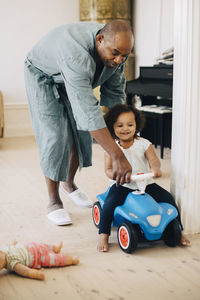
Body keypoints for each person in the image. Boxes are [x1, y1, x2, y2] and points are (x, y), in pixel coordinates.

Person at [24, 20, 134, 226]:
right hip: (42, 74)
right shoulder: (75, 53)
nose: (120, 59)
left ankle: (69, 184)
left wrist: (125, 135)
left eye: (125, 55)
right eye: (116, 53)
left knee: (81, 133)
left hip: (72, 77)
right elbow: (88, 111)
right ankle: (54, 201)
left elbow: (115, 98)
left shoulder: (117, 53)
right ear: (99, 40)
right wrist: (116, 155)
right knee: (56, 136)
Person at [97, 104, 190, 252]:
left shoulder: (144, 144)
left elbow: (154, 160)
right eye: (119, 125)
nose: (125, 128)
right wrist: (116, 176)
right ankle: (103, 234)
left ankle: (179, 230)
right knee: (109, 204)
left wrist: (155, 169)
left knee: (168, 199)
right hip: (122, 185)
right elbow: (107, 169)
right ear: (112, 128)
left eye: (130, 124)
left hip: (146, 183)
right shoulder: (112, 148)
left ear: (137, 125)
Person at [0, 241, 79, 280]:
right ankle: (71, 260)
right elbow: (24, 271)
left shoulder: (3, 249)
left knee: (45, 245)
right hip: (38, 258)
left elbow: (9, 247)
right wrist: (33, 273)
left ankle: (56, 248)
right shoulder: (12, 263)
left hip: (32, 246)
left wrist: (13, 244)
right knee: (55, 260)